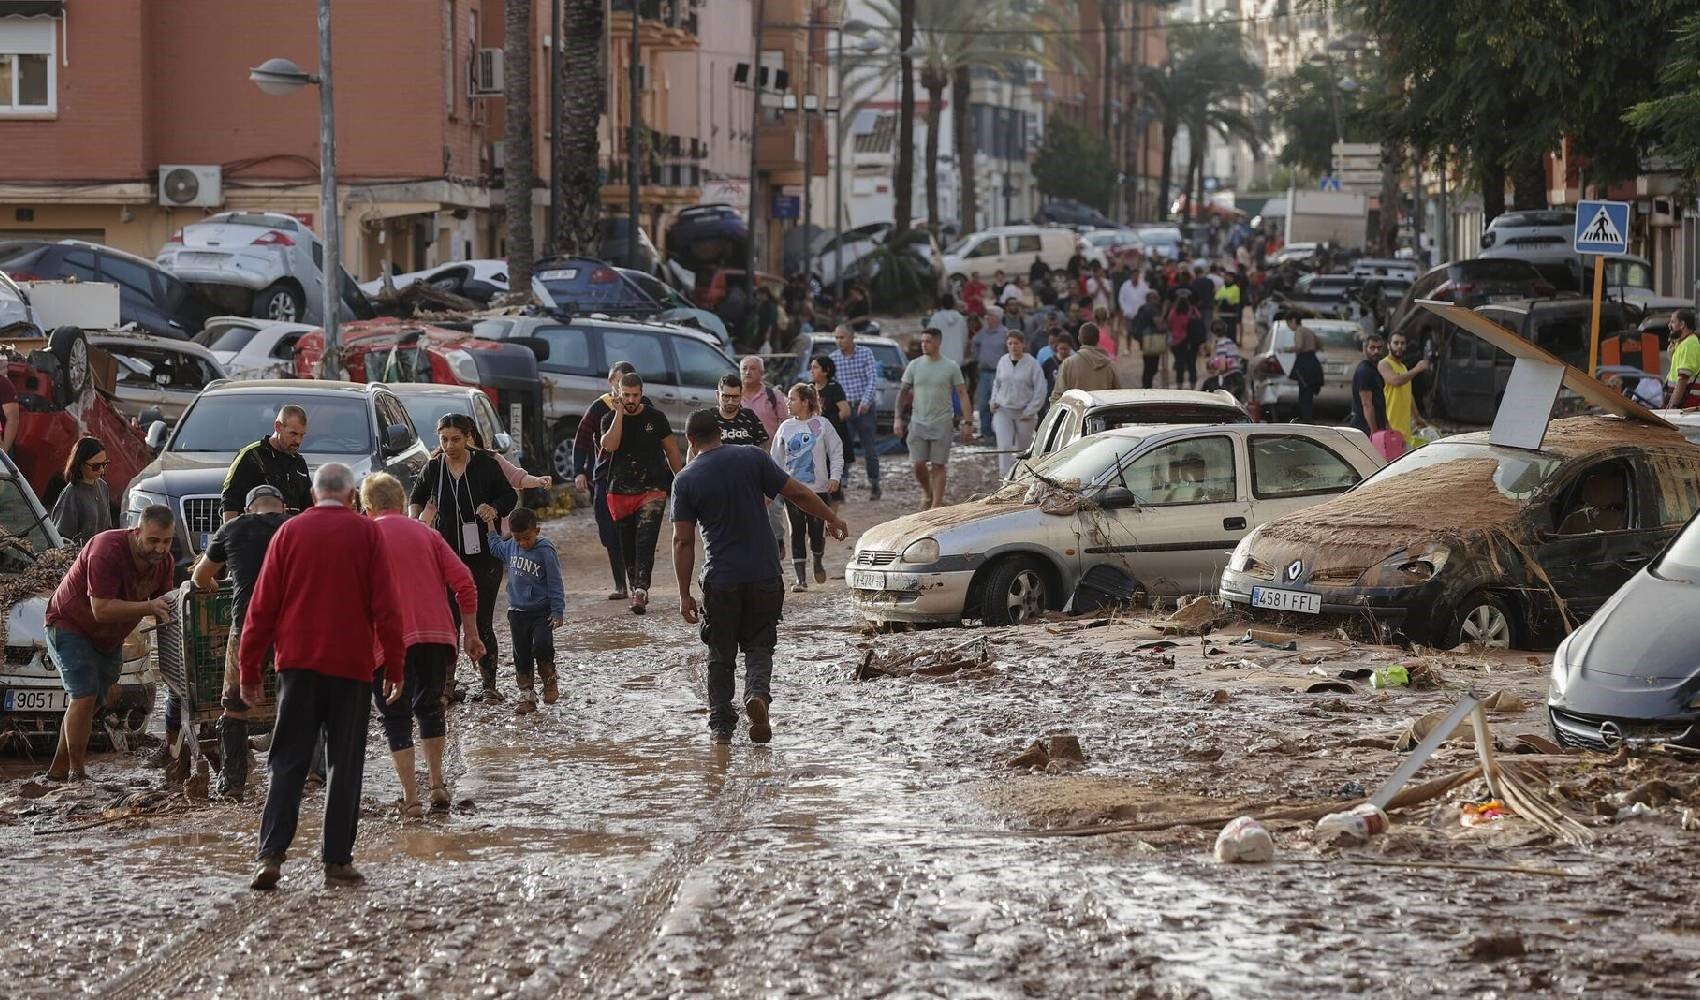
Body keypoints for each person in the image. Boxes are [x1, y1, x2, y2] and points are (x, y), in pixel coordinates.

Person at [243, 463, 405, 891]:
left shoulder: (289, 533)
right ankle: (336, 861)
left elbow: (261, 608)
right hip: (350, 667)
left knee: (288, 761)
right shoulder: (366, 533)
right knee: (344, 764)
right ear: (353, 498)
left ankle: (271, 857)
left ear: (314, 496)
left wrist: (247, 670)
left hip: (296, 666)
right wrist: (395, 664)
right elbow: (387, 606)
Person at [671, 411, 847, 746]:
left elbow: (683, 540)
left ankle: (721, 728)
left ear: (690, 441)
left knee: (721, 655)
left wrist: (683, 594)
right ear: (720, 433)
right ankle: (757, 696)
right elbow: (797, 493)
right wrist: (831, 518)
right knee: (759, 645)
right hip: (765, 574)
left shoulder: (686, 479)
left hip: (722, 579)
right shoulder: (752, 457)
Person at [357, 473, 481, 817]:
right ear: (400, 503)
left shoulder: (364, 539)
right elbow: (465, 583)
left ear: (368, 508)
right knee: (430, 707)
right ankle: (438, 785)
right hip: (435, 637)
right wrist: (470, 633)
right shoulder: (428, 534)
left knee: (394, 717)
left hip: (387, 642)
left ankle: (411, 798)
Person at [41, 508, 175, 782]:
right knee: (84, 696)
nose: (160, 549)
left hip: (109, 637)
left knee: (94, 702)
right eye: (153, 541)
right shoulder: (107, 549)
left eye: (167, 541)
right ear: (136, 532)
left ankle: (56, 771)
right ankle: (77, 774)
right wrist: (149, 606)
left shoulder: (165, 561)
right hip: (70, 623)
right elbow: (100, 609)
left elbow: (168, 606)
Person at [409, 413, 518, 701]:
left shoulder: (486, 465)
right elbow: (416, 496)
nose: (449, 445)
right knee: (448, 622)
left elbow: (510, 496)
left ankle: (489, 685)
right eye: (444, 439)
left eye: (456, 439)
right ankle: (446, 687)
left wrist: (494, 509)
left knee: (482, 620)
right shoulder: (433, 468)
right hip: (445, 556)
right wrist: (415, 520)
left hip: (484, 555)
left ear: (468, 437)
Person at [189, 485, 288, 799]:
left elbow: (200, 578)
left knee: (235, 705)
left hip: (248, 624)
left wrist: (215, 582)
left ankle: (233, 784)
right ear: (282, 508)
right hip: (293, 625)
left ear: (248, 509)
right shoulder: (294, 527)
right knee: (301, 698)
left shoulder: (232, 528)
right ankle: (310, 776)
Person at [599, 372, 683, 615]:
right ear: (619, 394)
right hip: (619, 491)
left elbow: (671, 450)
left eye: (635, 395)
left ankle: (641, 591)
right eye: (626, 395)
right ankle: (635, 584)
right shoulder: (609, 418)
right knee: (627, 544)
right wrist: (619, 414)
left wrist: (684, 480)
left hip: (652, 489)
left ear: (642, 394)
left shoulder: (656, 418)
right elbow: (611, 445)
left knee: (645, 540)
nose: (631, 400)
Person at [484, 506, 564, 716]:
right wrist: (489, 522)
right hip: (517, 612)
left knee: (542, 646)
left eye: (527, 538)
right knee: (521, 654)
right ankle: (527, 695)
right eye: (518, 539)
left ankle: (549, 679)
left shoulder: (546, 550)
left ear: (536, 531)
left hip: (541, 612)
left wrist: (557, 610)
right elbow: (494, 546)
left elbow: (555, 581)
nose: (523, 543)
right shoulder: (511, 546)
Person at [575, 361, 642, 600]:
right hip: (605, 476)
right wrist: (579, 471)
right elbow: (582, 439)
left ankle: (637, 584)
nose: (620, 388)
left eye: (626, 383)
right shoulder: (599, 408)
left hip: (635, 478)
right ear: (611, 382)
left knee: (634, 530)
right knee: (609, 531)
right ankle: (620, 584)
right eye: (617, 382)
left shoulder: (643, 407)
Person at [770, 383, 843, 591]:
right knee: (796, 531)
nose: (788, 403)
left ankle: (818, 559)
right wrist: (774, 486)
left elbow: (836, 451)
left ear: (806, 402)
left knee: (816, 531)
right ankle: (800, 579)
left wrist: (835, 477)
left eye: (792, 399)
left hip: (818, 489)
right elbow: (775, 459)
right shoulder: (785, 427)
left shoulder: (822, 424)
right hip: (792, 489)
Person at [895, 328, 972, 511]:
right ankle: (928, 492)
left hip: (943, 421)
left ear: (938, 342)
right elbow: (903, 392)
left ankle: (936, 504)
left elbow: (962, 394)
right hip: (918, 421)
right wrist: (897, 418)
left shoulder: (951, 366)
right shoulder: (914, 365)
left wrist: (967, 422)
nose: (924, 344)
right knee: (918, 464)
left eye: (928, 341)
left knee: (938, 464)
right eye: (922, 341)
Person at [222, 404, 312, 521]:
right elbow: (230, 500)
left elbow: (308, 507)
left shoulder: (299, 462)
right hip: (257, 534)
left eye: (302, 435)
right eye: (293, 434)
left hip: (291, 535)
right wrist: (231, 535)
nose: (298, 441)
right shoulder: (252, 456)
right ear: (278, 427)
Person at [737, 357, 788, 562]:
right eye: (744, 368)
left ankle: (778, 540)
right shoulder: (734, 396)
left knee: (774, 506)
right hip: (740, 461)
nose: (748, 372)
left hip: (770, 458)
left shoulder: (773, 396)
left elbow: (786, 425)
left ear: (761, 373)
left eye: (753, 369)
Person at [831, 325, 882, 500]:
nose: (839, 341)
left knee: (869, 448)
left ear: (852, 337)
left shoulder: (865, 353)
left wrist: (866, 401)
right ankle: (841, 486)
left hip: (864, 407)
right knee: (842, 448)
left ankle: (874, 483)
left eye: (842, 337)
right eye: (836, 338)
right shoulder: (834, 359)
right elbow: (833, 385)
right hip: (844, 408)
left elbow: (872, 379)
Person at [990, 331, 1047, 478]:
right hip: (1003, 409)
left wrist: (1030, 410)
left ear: (1023, 344)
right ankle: (1004, 478)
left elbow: (1040, 390)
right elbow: (997, 383)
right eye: (1010, 343)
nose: (1013, 346)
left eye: (1016, 343)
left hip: (1024, 411)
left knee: (1023, 449)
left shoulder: (1032, 364)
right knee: (1004, 446)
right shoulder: (1003, 361)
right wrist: (993, 401)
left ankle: (1022, 477)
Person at [51, 436, 113, 544]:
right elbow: (61, 540)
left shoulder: (103, 486)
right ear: (80, 464)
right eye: (96, 466)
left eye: (104, 464)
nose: (102, 470)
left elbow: (107, 528)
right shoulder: (71, 495)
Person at [809, 355, 852, 505]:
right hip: (813, 440)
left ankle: (831, 521)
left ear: (826, 371)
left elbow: (845, 411)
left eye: (815, 367)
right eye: (811, 367)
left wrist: (828, 427)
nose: (811, 371)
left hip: (832, 439)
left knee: (833, 479)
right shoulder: (809, 389)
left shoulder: (834, 387)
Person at [1378, 331, 1430, 446]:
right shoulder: (1384, 364)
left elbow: (1408, 394)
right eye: (1396, 343)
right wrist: (1417, 369)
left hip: (1405, 431)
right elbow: (1396, 381)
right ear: (1388, 345)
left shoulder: (1403, 367)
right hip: (1390, 428)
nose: (1399, 346)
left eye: (1402, 343)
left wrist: (1417, 417)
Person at [970, 305, 1010, 440]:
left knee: (998, 403)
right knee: (983, 404)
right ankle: (986, 432)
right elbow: (974, 342)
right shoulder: (983, 332)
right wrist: (976, 357)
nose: (986, 318)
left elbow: (1009, 350)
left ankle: (999, 432)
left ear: (997, 317)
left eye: (990, 315)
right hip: (984, 372)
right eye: (986, 315)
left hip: (998, 373)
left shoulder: (1005, 333)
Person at [1051, 323, 1120, 400]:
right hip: (1101, 411)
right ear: (1098, 339)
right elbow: (1117, 396)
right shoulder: (1109, 365)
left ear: (1079, 339)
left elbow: (1057, 397)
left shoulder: (1067, 364)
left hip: (1076, 411)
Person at [1284, 313, 1325, 422]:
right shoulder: (1308, 330)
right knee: (1308, 394)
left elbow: (1299, 346)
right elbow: (1320, 344)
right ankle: (1307, 418)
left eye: (1288, 323)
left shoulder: (1299, 331)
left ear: (1293, 320)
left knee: (1304, 394)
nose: (1289, 326)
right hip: (1313, 361)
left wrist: (1286, 350)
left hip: (1304, 363)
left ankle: (1306, 420)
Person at [1349, 335, 1389, 437]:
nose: (1376, 351)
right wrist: (1374, 432)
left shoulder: (1373, 370)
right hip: (1364, 428)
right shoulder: (1365, 371)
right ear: (1365, 349)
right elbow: (1367, 404)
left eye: (1379, 348)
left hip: (1375, 425)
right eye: (1372, 348)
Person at [1166, 291, 1202, 389]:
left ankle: (1179, 386)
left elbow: (1169, 324)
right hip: (1191, 341)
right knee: (1192, 365)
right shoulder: (1193, 311)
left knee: (1179, 365)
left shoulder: (1173, 312)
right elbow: (1199, 322)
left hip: (1176, 342)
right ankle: (1193, 386)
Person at [1667, 309, 1700, 407]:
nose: (1669, 326)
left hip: (1685, 404)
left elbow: (1682, 380)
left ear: (1682, 324)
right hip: (1684, 403)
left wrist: (1672, 405)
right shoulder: (1683, 344)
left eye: (1672, 322)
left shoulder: (1689, 345)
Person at [927, 293, 970, 367]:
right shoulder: (961, 319)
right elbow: (965, 338)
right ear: (954, 304)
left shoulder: (935, 319)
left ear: (941, 304)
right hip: (957, 359)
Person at [1133, 292, 1165, 389]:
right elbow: (1159, 325)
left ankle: (1146, 385)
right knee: (1152, 366)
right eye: (1156, 298)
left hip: (1143, 339)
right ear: (1151, 299)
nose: (1158, 301)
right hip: (1152, 340)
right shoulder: (1152, 310)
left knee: (1147, 364)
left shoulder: (1142, 308)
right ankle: (1147, 386)